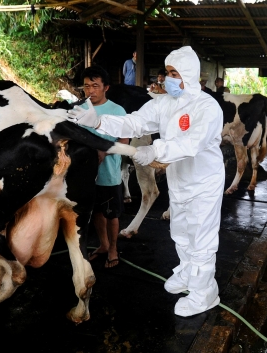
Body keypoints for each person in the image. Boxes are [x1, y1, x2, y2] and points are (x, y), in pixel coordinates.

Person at [67, 46, 224, 317]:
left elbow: (192, 143)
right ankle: (188, 275)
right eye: (167, 73)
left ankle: (204, 292)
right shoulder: (164, 103)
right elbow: (134, 123)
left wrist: (155, 150)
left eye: (174, 73)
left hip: (204, 182)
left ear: (189, 74)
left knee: (201, 237)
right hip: (179, 179)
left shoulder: (207, 106)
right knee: (181, 231)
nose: (167, 79)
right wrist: (99, 121)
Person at [80, 65, 128, 268]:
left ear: (106, 87)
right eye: (86, 86)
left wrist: (103, 152)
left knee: (111, 214)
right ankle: (103, 245)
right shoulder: (79, 109)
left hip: (109, 174)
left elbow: (124, 142)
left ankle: (113, 248)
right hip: (85, 175)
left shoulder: (117, 111)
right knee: (97, 212)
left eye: (95, 86)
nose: (90, 90)